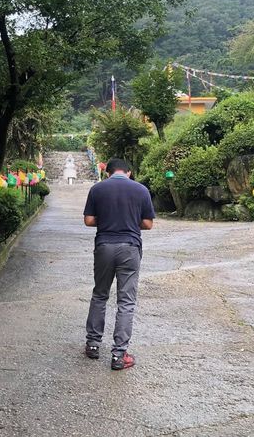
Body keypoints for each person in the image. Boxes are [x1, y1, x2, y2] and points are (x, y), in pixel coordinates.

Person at [83, 158, 155, 370]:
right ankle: (118, 355)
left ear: (108, 172)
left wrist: (106, 219)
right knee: (126, 301)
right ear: (129, 172)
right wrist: (131, 220)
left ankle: (93, 345)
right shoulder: (141, 190)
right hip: (130, 248)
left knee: (100, 294)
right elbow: (148, 224)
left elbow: (88, 220)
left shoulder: (97, 189)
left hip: (104, 246)